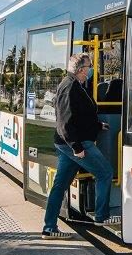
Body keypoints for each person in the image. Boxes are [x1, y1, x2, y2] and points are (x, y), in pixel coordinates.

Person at [43, 53, 116, 238]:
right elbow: (65, 122)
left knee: (60, 185)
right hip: (76, 144)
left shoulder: (76, 85)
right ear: (80, 69)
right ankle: (101, 216)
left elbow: (80, 116)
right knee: (105, 172)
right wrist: (77, 148)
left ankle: (49, 228)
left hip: (71, 143)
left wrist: (97, 125)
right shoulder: (69, 87)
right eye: (89, 67)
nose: (91, 70)